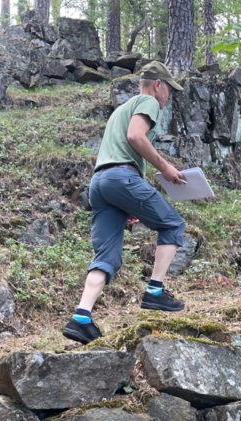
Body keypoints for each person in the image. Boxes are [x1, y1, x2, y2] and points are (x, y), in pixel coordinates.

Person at [62, 61, 189, 345]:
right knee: (173, 224)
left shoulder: (121, 109)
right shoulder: (148, 101)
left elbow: (121, 143)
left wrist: (127, 205)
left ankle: (81, 318)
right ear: (158, 84)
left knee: (107, 256)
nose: (169, 97)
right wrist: (165, 167)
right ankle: (155, 291)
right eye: (169, 90)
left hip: (101, 184)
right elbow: (135, 136)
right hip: (122, 177)